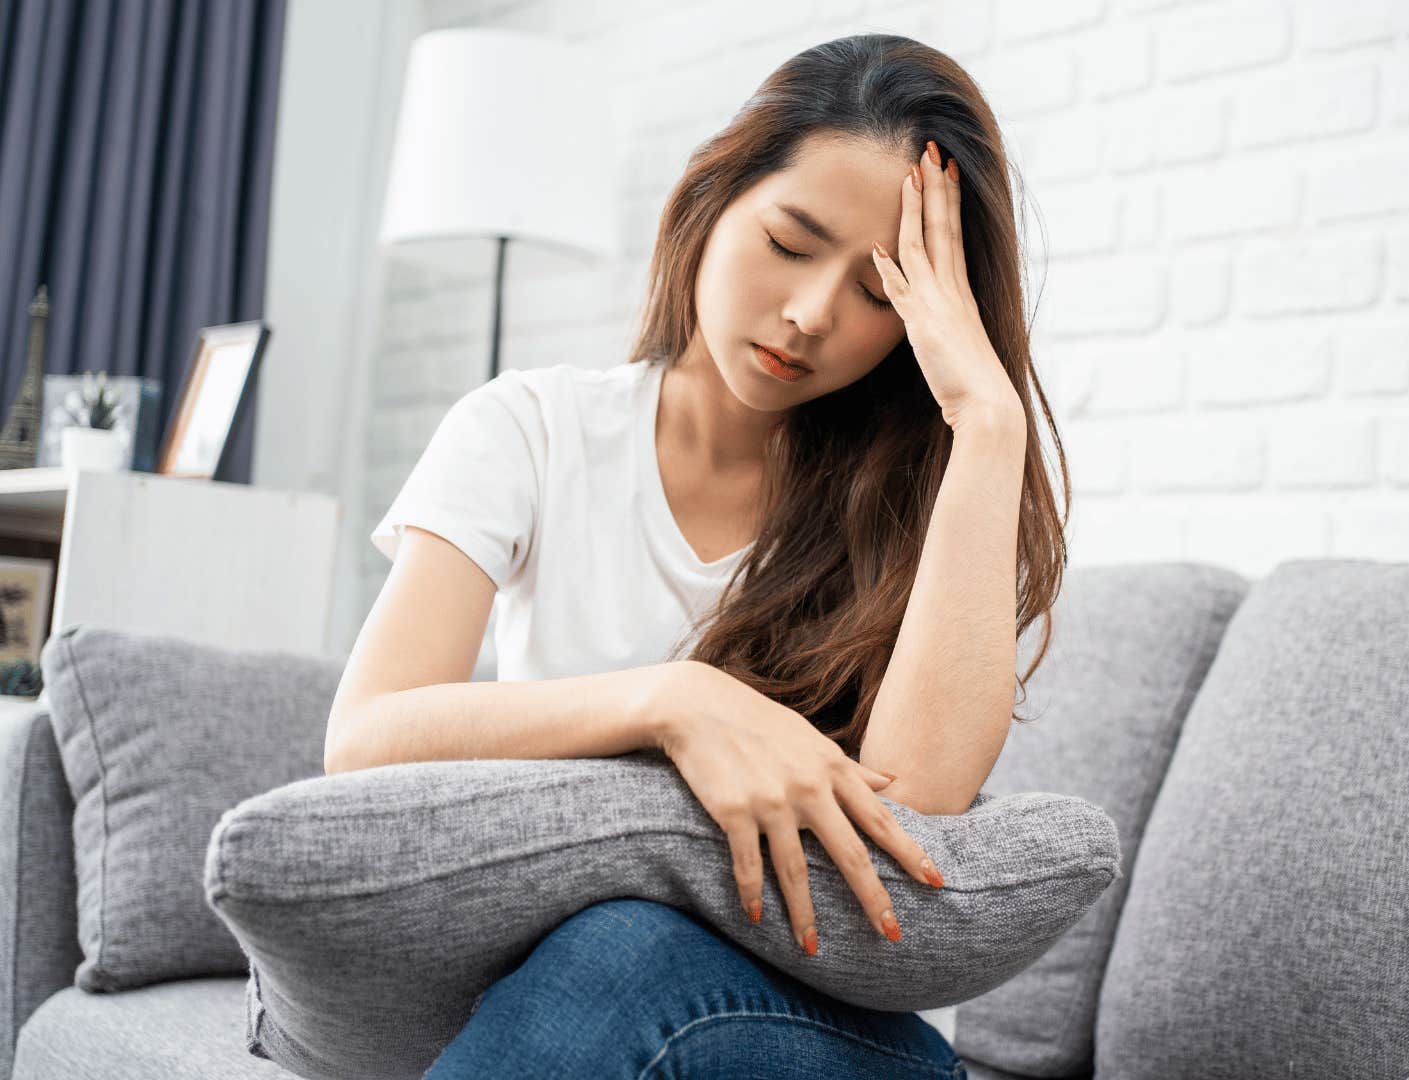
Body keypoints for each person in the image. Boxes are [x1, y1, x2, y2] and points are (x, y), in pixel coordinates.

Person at [324, 31, 1072, 1078]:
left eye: (877, 292)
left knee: (623, 955)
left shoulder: (916, 500)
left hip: (839, 1032)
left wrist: (988, 426)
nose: (811, 313)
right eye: (791, 239)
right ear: (713, 197)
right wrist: (678, 702)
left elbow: (919, 801)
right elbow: (365, 740)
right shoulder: (530, 432)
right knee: (609, 951)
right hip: (588, 1001)